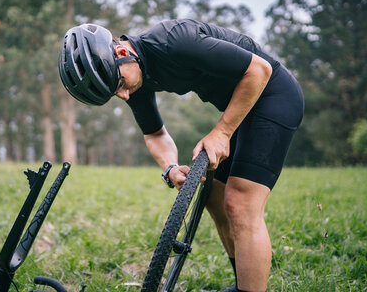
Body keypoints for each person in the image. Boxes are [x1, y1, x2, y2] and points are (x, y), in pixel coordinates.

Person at [58, 19, 304, 292]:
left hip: (273, 96)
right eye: (115, 93)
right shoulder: (137, 78)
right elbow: (155, 134)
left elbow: (259, 70)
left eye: (119, 84)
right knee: (215, 196)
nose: (124, 95)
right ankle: (244, 283)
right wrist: (170, 167)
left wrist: (222, 132)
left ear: (120, 53)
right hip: (243, 107)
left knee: (242, 203)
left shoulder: (174, 42)